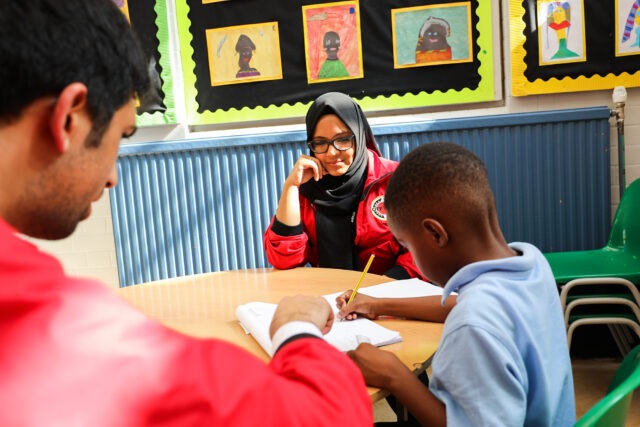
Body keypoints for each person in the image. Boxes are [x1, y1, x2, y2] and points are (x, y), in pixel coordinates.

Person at [0, 1, 372, 425]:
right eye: (121, 137)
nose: (113, 180)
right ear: (69, 118)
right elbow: (322, 414)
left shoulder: (388, 180)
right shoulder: (48, 321)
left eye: (343, 140)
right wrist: (296, 328)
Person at [337, 142, 576, 426]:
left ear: (435, 234)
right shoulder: (530, 264)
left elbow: (471, 316)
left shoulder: (473, 326)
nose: (410, 254)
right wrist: (378, 304)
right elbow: (461, 305)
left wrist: (394, 375)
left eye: (406, 244)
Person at [264, 92, 425, 281]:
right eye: (320, 143)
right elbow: (284, 260)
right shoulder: (307, 189)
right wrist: (290, 187)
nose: (332, 152)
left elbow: (422, 249)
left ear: (358, 136)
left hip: (390, 298)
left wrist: (380, 291)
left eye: (342, 140)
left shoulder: (395, 180)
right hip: (331, 298)